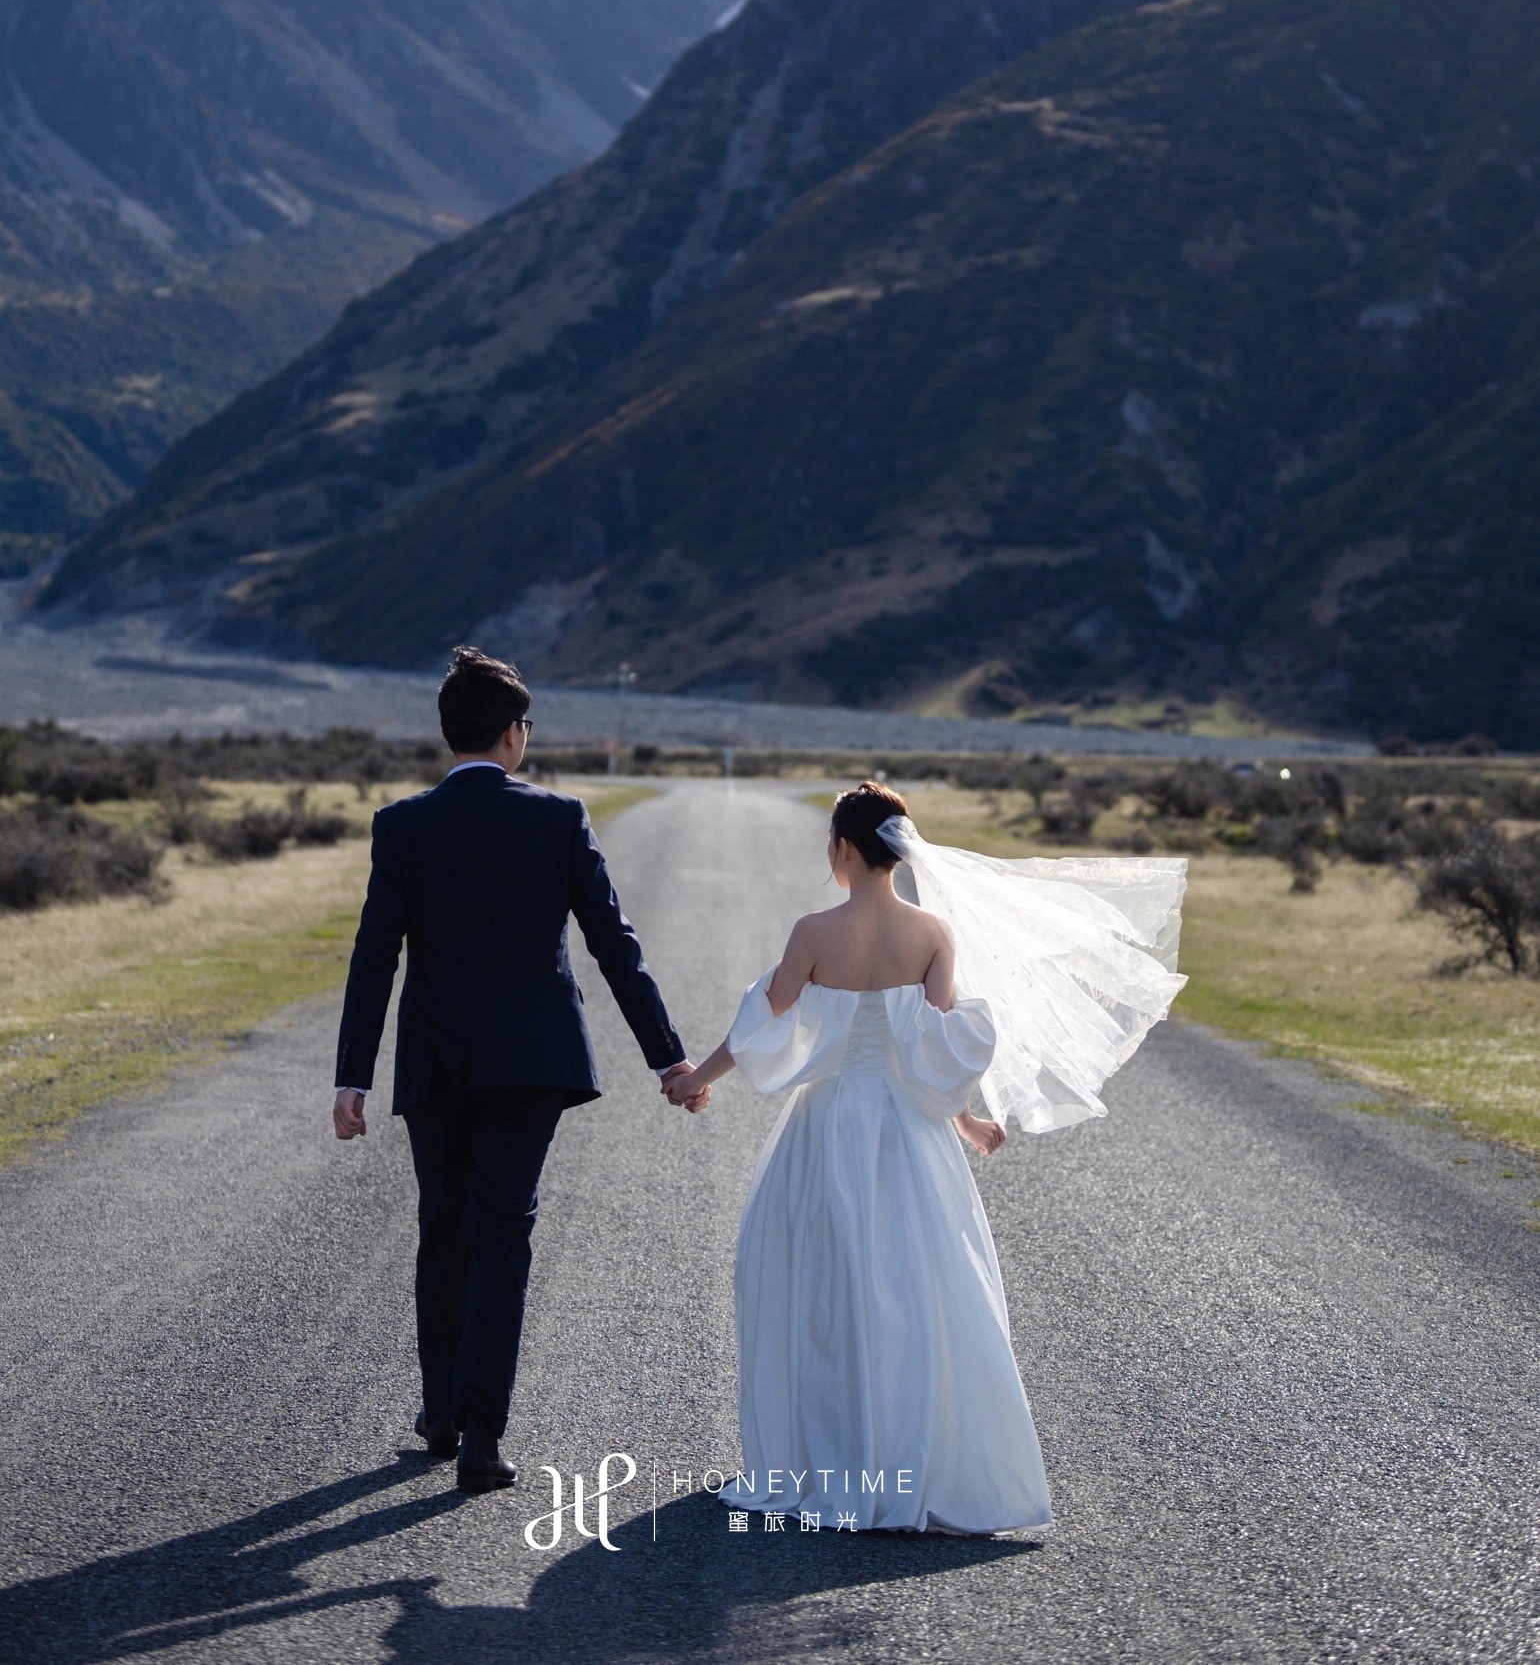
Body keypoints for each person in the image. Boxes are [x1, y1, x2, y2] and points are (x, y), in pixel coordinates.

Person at [666, 780, 1186, 1535]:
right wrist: (966, 1122)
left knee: (818, 1283)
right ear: (898, 850)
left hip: (827, 1123)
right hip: (909, 1133)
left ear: (844, 849)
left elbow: (757, 1024)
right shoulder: (932, 932)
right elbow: (935, 1049)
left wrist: (696, 1079)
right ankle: (917, 1458)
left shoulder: (814, 931)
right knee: (915, 1290)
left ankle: (828, 1453)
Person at [332, 646, 698, 1493]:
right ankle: (481, 1434)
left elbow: (374, 955)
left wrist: (352, 1076)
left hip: (436, 1062)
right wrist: (668, 1055)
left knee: (442, 1227)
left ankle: (439, 1412)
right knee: (503, 1236)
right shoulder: (559, 818)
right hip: (532, 1063)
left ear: (448, 735)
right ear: (512, 734)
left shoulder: (403, 824)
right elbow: (614, 946)